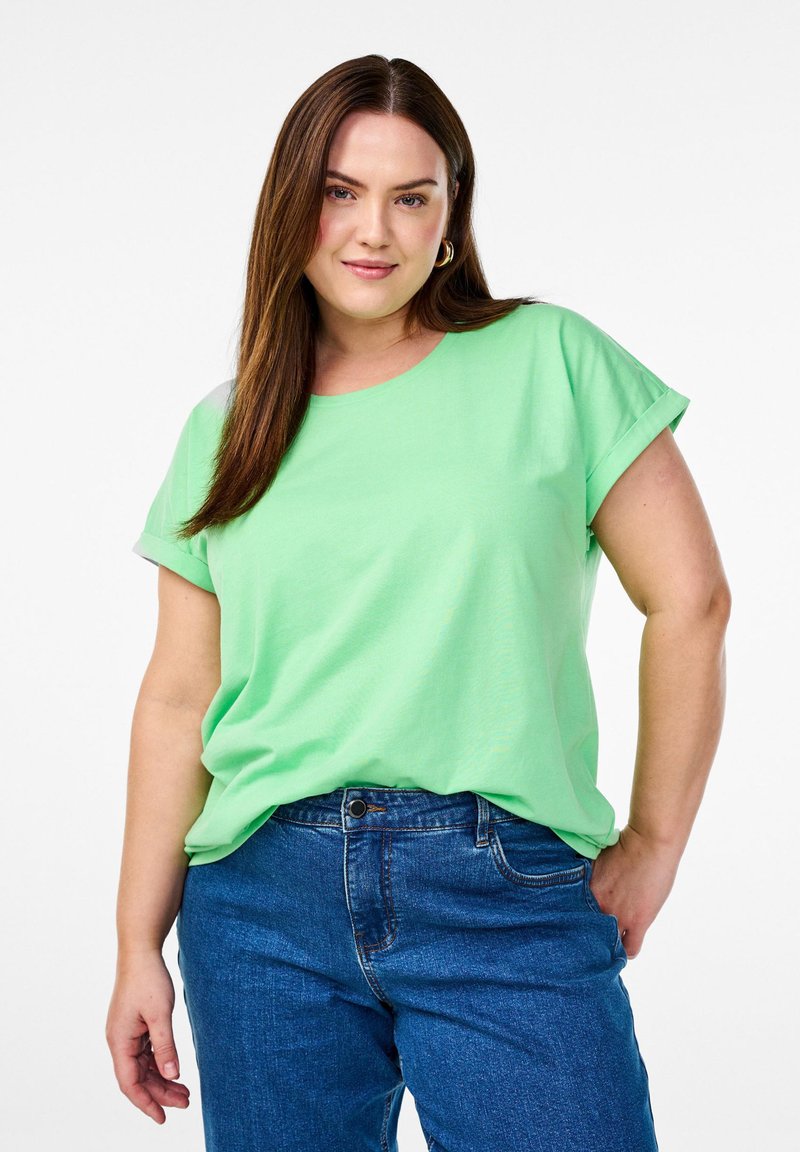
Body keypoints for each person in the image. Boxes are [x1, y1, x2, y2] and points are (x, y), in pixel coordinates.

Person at [106, 53, 730, 1152]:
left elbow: (690, 602)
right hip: (258, 908)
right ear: (290, 204)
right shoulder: (227, 427)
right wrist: (134, 949)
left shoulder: (550, 361)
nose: (372, 231)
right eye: (339, 192)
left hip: (504, 890)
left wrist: (655, 841)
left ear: (450, 216)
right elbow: (177, 700)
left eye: (410, 197)